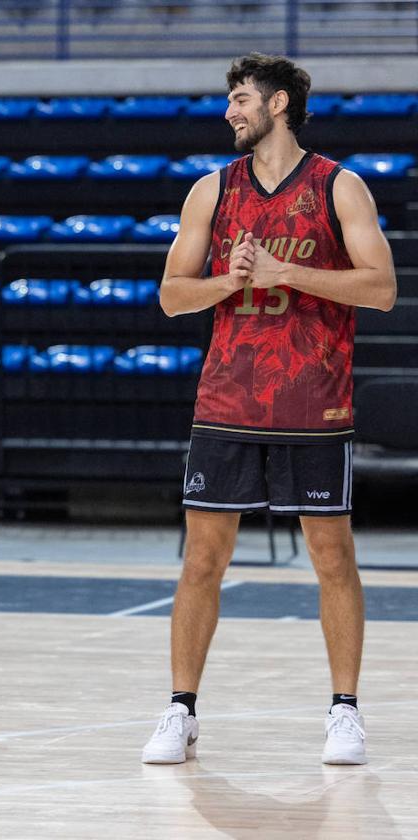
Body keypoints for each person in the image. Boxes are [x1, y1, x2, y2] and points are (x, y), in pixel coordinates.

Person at [142, 53, 396, 766]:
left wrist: (289, 272)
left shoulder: (339, 187)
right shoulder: (210, 192)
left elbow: (380, 289)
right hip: (227, 395)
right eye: (230, 98)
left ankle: (345, 711)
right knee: (202, 560)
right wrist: (230, 279)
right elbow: (170, 295)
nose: (230, 110)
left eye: (241, 98)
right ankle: (181, 711)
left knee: (333, 557)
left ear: (278, 104)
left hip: (313, 400)